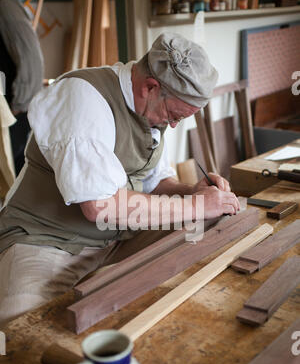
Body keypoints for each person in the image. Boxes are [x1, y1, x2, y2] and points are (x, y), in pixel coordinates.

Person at [0, 32, 240, 325]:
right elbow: (99, 206)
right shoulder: (83, 96)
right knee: (24, 328)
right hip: (46, 240)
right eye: (174, 115)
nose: (174, 125)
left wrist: (192, 192)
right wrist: (197, 206)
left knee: (203, 236)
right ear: (151, 87)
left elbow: (155, 185)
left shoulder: (151, 112)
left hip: (115, 239)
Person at [0, 0, 44, 175]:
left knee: (9, 181)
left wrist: (17, 108)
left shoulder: (5, 6)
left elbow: (31, 59)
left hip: (12, 114)